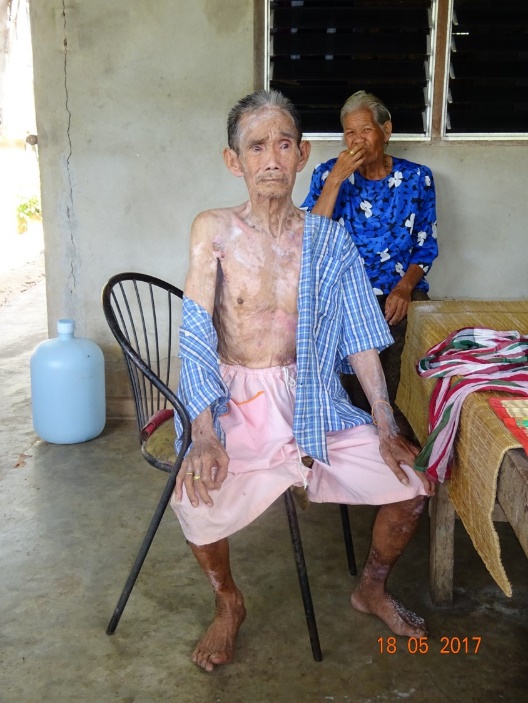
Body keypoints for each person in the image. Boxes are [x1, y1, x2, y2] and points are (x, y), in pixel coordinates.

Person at [170, 89, 434, 673]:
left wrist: (386, 423)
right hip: (231, 399)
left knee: (412, 485)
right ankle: (228, 601)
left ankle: (371, 586)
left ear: (303, 154)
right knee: (196, 500)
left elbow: (362, 338)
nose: (271, 158)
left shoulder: (327, 239)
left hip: (310, 394)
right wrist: (203, 430)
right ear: (232, 160)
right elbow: (193, 334)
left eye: (284, 144)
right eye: (256, 146)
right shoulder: (213, 229)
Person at [301, 90, 438, 431]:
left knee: (404, 335)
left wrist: (405, 288)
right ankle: (357, 431)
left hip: (398, 288)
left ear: (386, 131)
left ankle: (397, 431)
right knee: (336, 332)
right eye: (349, 133)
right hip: (344, 290)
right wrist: (336, 179)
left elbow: (426, 245)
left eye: (365, 130)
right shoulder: (327, 174)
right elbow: (310, 238)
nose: (357, 140)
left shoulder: (417, 178)